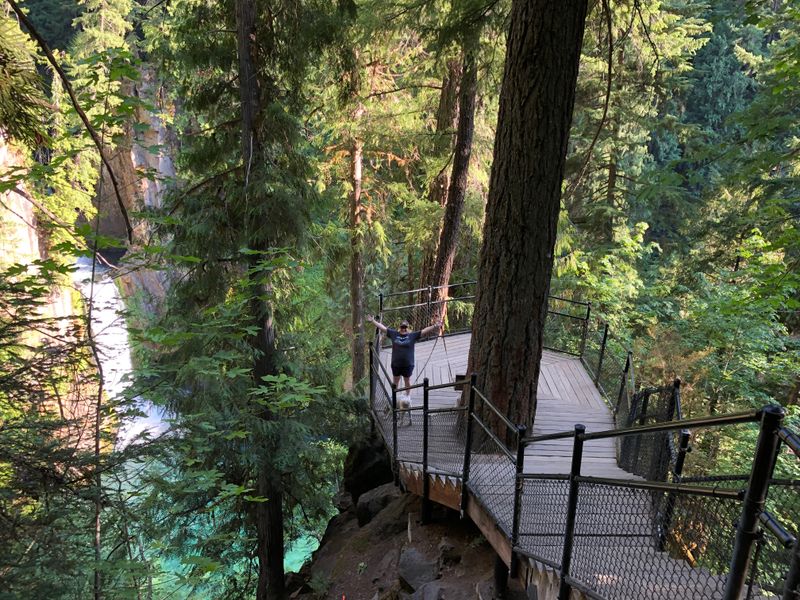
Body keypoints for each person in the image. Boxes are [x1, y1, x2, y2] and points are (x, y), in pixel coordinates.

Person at [367, 315, 443, 390]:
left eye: (405, 327)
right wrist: (373, 321)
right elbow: (383, 328)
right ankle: (394, 396)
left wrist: (435, 326)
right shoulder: (394, 334)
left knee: (407, 381)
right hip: (396, 364)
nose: (403, 329)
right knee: (395, 382)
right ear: (399, 327)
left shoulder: (412, 336)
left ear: (407, 328)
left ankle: (407, 396)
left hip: (408, 365)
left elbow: (424, 331)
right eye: (402, 327)